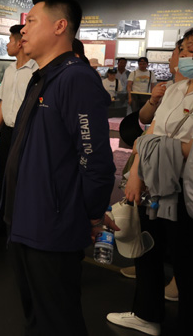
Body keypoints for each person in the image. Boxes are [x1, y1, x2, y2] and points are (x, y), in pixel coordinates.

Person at [4, 0, 115, 334]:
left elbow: (95, 159)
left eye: (31, 21)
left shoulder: (75, 79)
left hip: (51, 226)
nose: (23, 29)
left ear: (59, 26)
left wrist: (92, 213)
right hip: (26, 219)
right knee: (36, 315)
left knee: (58, 319)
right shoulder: (43, 77)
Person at [107, 30, 193, 336]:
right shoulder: (175, 89)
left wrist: (160, 148)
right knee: (149, 251)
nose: (185, 57)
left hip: (185, 190)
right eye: (184, 50)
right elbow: (149, 133)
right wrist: (137, 174)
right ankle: (147, 314)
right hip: (154, 184)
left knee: (186, 263)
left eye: (191, 51)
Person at [0, 24, 38, 240]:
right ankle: (1, 223)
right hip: (8, 133)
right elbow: (3, 102)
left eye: (10, 40)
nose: (7, 45)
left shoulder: (36, 70)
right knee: (4, 179)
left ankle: (20, 227)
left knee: (22, 180)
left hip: (26, 134)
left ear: (20, 43)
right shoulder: (10, 69)